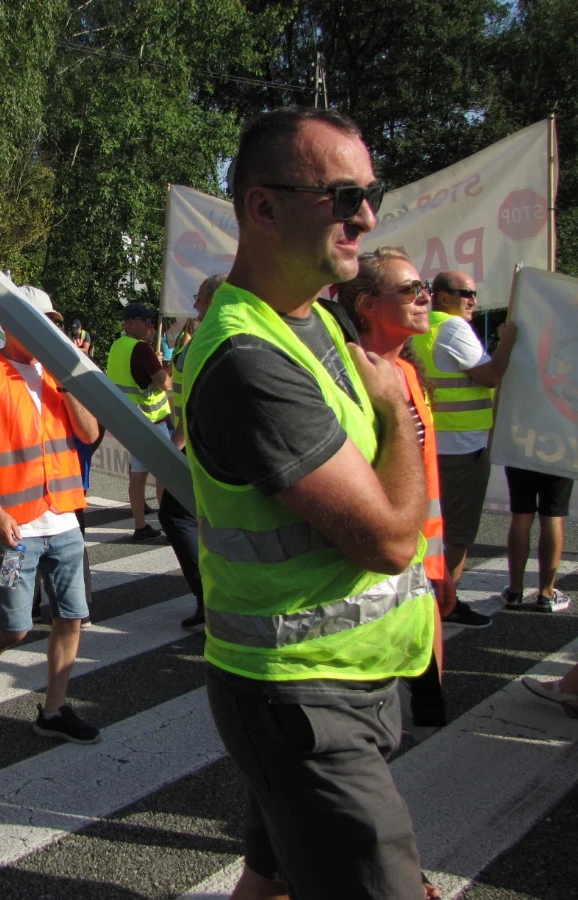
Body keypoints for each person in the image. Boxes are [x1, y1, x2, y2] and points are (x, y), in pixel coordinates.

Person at [186, 107, 436, 900]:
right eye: (341, 196)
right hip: (300, 697)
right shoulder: (248, 360)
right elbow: (392, 539)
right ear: (263, 208)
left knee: (268, 878)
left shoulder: (314, 319)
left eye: (370, 192)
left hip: (341, 683)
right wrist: (398, 410)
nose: (366, 215)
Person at [0, 285, 103, 744]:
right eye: (40, 321)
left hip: (63, 519)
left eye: (52, 323)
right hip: (13, 527)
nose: (49, 330)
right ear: (11, 324)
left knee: (71, 616)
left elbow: (89, 431)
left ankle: (53, 711)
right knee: (15, 625)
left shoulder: (62, 374)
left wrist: (68, 378)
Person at [336, 248, 458, 726]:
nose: (426, 297)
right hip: (367, 573)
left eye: (424, 287)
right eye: (410, 290)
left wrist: (437, 566)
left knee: (426, 719)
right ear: (366, 304)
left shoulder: (408, 374)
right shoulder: (344, 376)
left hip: (418, 569)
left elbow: (426, 482)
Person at [408, 270, 518, 608]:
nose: (473, 300)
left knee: (428, 529)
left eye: (473, 293)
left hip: (429, 443)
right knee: (458, 531)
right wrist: (507, 342)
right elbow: (490, 374)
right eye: (465, 293)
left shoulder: (420, 327)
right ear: (443, 297)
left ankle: (427, 600)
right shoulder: (453, 327)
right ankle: (446, 603)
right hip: (462, 448)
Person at [161, 273, 225, 631]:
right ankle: (209, 600)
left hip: (204, 446)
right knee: (187, 518)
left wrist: (175, 448)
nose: (195, 303)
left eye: (200, 297)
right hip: (201, 442)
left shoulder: (213, 340)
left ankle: (210, 599)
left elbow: (200, 404)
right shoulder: (204, 337)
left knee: (178, 516)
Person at [107, 301, 170, 540]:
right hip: (153, 422)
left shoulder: (117, 346)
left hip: (132, 422)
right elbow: (165, 383)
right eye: (147, 322)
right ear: (131, 324)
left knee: (138, 475)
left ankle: (140, 525)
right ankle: (167, 522)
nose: (151, 327)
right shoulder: (142, 349)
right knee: (166, 475)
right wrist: (163, 363)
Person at [502, 467, 573, 611]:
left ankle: (514, 592)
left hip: (521, 450)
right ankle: (546, 594)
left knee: (521, 513)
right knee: (552, 515)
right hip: (560, 451)